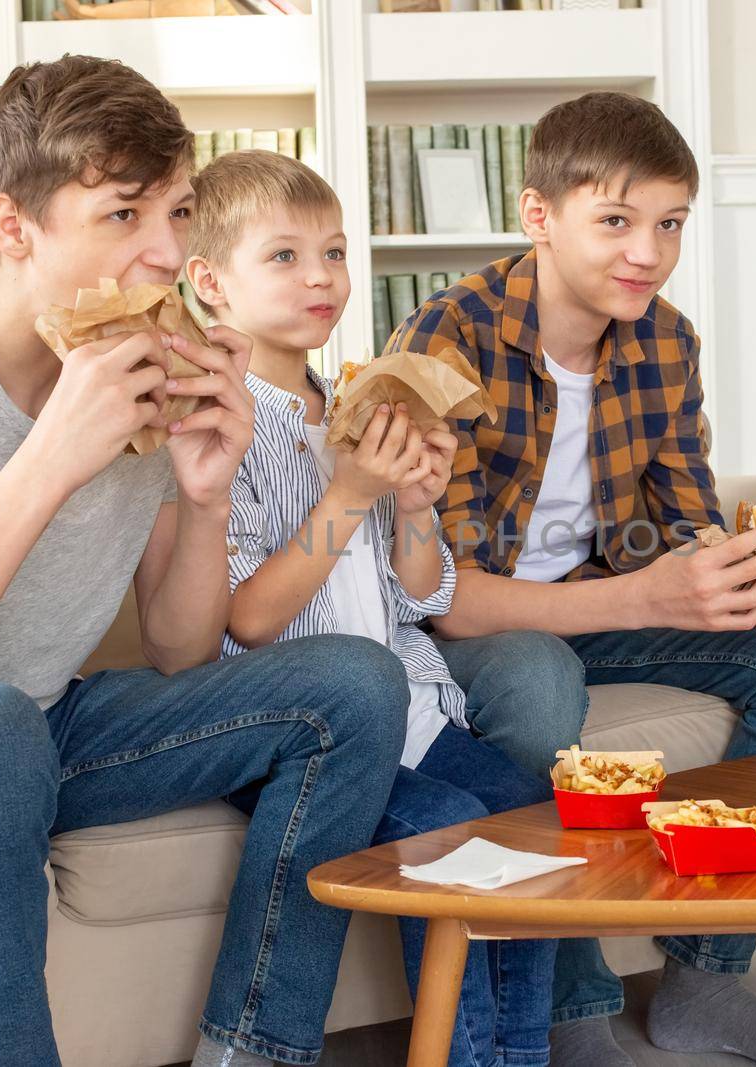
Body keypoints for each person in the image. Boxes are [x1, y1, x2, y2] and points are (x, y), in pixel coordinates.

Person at [0, 56, 408, 1067]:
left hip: (40, 722)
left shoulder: (160, 360)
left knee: (357, 683)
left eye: (178, 212)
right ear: (15, 228)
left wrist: (203, 490)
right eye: (122, 215)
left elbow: (184, 653)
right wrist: (53, 452)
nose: (164, 253)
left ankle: (257, 1050)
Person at [387, 90, 756, 1067]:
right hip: (474, 632)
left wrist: (751, 572)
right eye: (615, 221)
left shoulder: (663, 341)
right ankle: (575, 1014)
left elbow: (682, 521)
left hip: (601, 608)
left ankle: (705, 981)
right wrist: (642, 595)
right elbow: (439, 593)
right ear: (538, 216)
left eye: (669, 223)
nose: (646, 251)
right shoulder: (446, 341)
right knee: (532, 678)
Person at [186, 148, 559, 1067]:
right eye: (283, 256)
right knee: (449, 837)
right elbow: (246, 618)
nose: (321, 276)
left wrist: (417, 505)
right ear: (209, 283)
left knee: (533, 822)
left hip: (416, 710)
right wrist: (349, 493)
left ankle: (521, 1058)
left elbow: (422, 593)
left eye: (336, 252)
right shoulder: (220, 423)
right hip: (304, 731)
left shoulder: (359, 403)